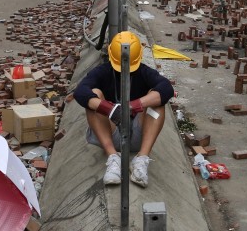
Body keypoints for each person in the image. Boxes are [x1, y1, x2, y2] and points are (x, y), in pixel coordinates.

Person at [74, 31, 173, 188]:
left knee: (157, 101)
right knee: (94, 96)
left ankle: (141, 160)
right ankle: (113, 159)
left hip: (138, 135)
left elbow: (166, 88)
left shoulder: (144, 72)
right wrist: (109, 109)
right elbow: (80, 92)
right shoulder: (103, 72)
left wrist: (133, 105)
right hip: (110, 132)